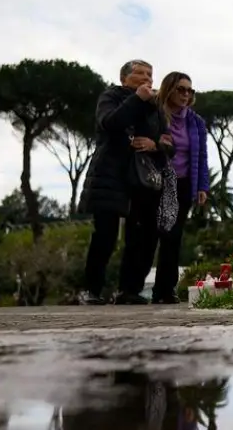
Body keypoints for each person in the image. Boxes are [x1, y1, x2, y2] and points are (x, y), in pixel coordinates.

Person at [78, 59, 169, 305]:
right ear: (124, 78)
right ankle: (91, 290)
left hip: (142, 179)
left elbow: (168, 142)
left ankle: (128, 290)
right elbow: (110, 123)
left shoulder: (155, 107)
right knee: (105, 235)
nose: (147, 78)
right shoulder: (112, 96)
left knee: (142, 238)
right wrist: (136, 99)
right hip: (111, 175)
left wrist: (155, 145)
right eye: (140, 73)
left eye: (150, 74)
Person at [148, 71, 210, 304]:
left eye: (190, 90)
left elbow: (202, 157)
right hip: (154, 182)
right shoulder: (154, 114)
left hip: (182, 185)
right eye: (181, 89)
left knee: (173, 238)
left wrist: (202, 186)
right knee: (148, 236)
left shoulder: (196, 122)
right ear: (169, 89)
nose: (186, 94)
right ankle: (130, 288)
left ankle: (165, 290)